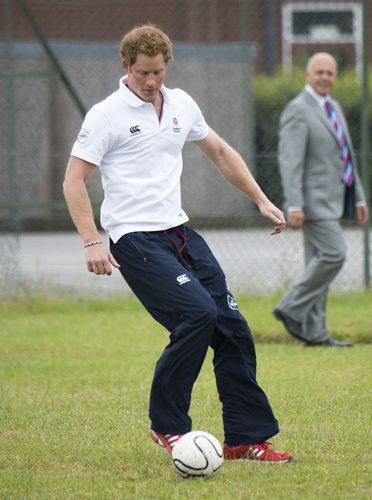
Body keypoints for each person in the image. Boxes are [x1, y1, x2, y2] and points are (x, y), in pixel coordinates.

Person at [63, 24, 292, 462]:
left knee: (232, 326)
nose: (152, 82)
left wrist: (261, 200)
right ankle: (168, 426)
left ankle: (245, 438)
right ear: (126, 66)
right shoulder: (106, 114)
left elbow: (221, 152)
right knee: (197, 315)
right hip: (134, 238)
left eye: (159, 73)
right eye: (143, 73)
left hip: (180, 232)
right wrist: (93, 241)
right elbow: (74, 180)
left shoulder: (181, 103)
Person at [273, 52, 369, 347]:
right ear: (308, 74)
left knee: (318, 261)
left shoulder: (333, 107)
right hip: (311, 204)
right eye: (320, 72)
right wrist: (295, 205)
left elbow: (346, 156)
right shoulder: (298, 110)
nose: (325, 77)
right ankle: (290, 307)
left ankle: (316, 333)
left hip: (335, 199)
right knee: (334, 254)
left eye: (330, 72)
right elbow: (290, 162)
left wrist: (359, 197)